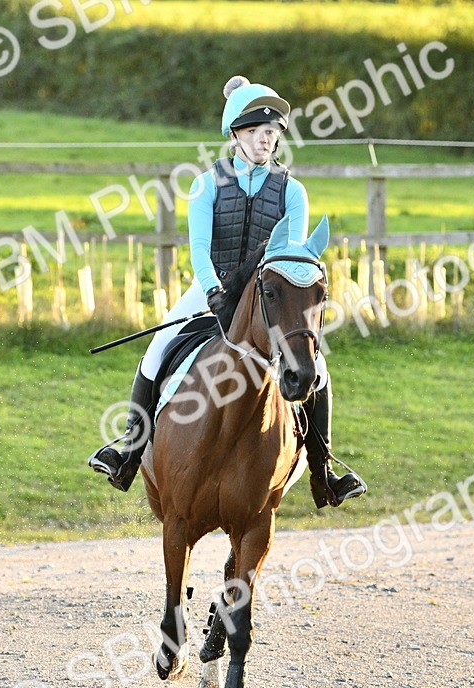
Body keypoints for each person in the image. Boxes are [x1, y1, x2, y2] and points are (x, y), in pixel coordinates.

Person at [89, 76, 366, 509]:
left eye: (272, 134)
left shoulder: (293, 191)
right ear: (235, 135)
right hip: (211, 286)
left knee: (319, 367)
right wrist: (214, 290)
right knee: (159, 348)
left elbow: (289, 258)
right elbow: (198, 247)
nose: (266, 141)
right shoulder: (206, 184)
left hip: (267, 296)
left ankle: (323, 470)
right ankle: (129, 448)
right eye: (257, 133)